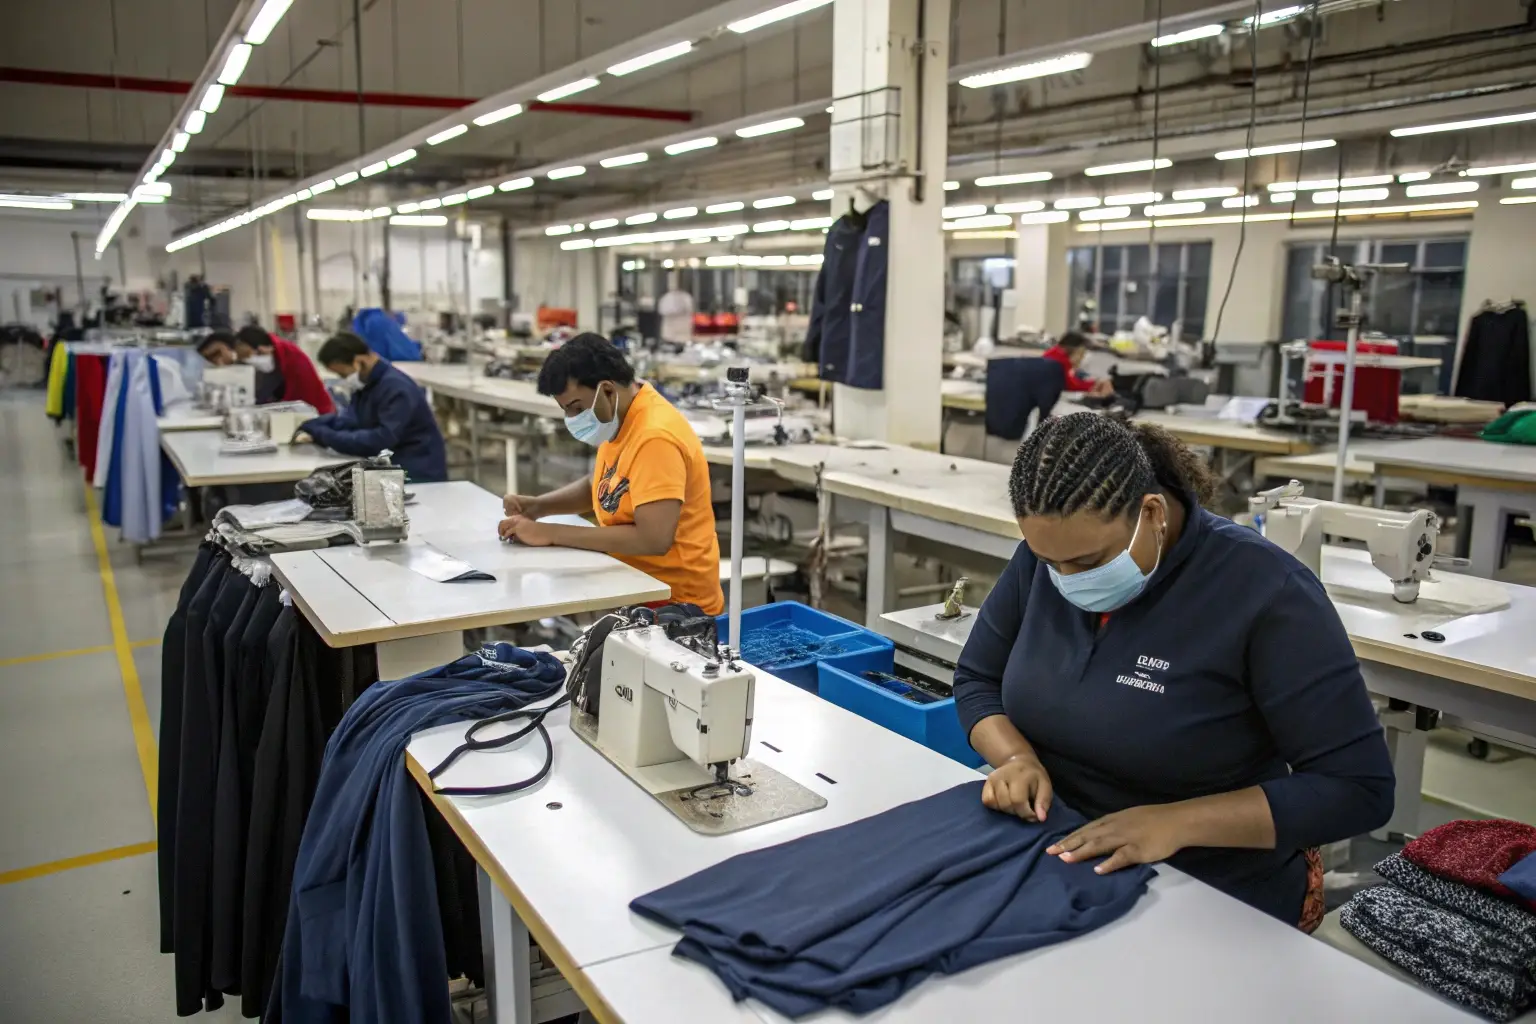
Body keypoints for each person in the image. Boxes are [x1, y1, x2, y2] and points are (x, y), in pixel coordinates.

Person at [953, 413, 1393, 930]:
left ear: (1153, 513)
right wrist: (1016, 760)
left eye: (1088, 561)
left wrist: (1174, 823)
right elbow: (977, 680)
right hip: (1060, 854)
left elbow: (1358, 790)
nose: (1066, 580)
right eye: (1051, 563)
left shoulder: (1267, 594)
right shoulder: (1050, 559)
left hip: (1213, 891)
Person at [499, 333, 724, 614]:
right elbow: (605, 485)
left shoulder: (655, 437)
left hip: (677, 606)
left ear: (607, 390)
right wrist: (539, 507)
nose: (573, 419)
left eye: (577, 408)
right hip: (636, 586)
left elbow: (652, 539)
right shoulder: (622, 416)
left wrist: (549, 532)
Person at [297, 331, 447, 482]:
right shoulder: (367, 385)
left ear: (358, 361)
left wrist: (325, 435)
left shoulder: (396, 388)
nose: (344, 380)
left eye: (343, 375)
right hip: (392, 470)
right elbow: (353, 422)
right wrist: (315, 425)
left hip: (417, 474)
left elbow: (380, 440)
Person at [197, 326, 335, 413]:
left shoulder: (293, 358)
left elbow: (308, 399)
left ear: (264, 349)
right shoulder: (253, 363)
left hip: (315, 413)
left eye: (249, 356)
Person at [1042, 332, 1114, 398]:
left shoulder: (1054, 352)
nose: (1082, 357)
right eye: (1081, 353)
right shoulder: (1060, 359)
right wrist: (1095, 384)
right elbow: (1070, 385)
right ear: (1074, 348)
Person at [657, 279, 696, 346]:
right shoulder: (666, 298)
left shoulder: (686, 297)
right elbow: (663, 311)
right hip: (670, 337)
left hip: (684, 336)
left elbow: (691, 310)